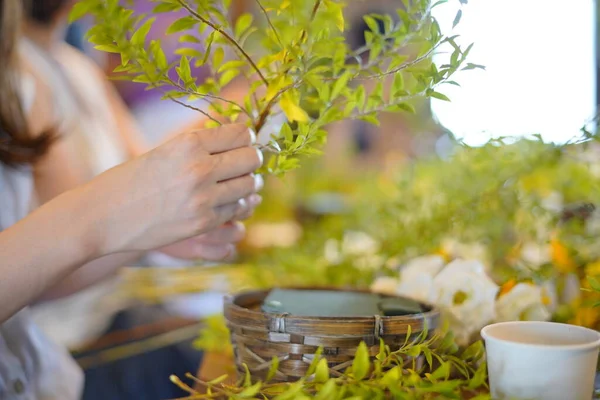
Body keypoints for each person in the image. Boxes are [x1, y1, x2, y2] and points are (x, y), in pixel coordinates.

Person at [0, 0, 262, 398]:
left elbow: (141, 173)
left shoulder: (78, 68)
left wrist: (176, 218)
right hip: (80, 337)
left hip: (58, 355)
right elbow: (82, 229)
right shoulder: (21, 74)